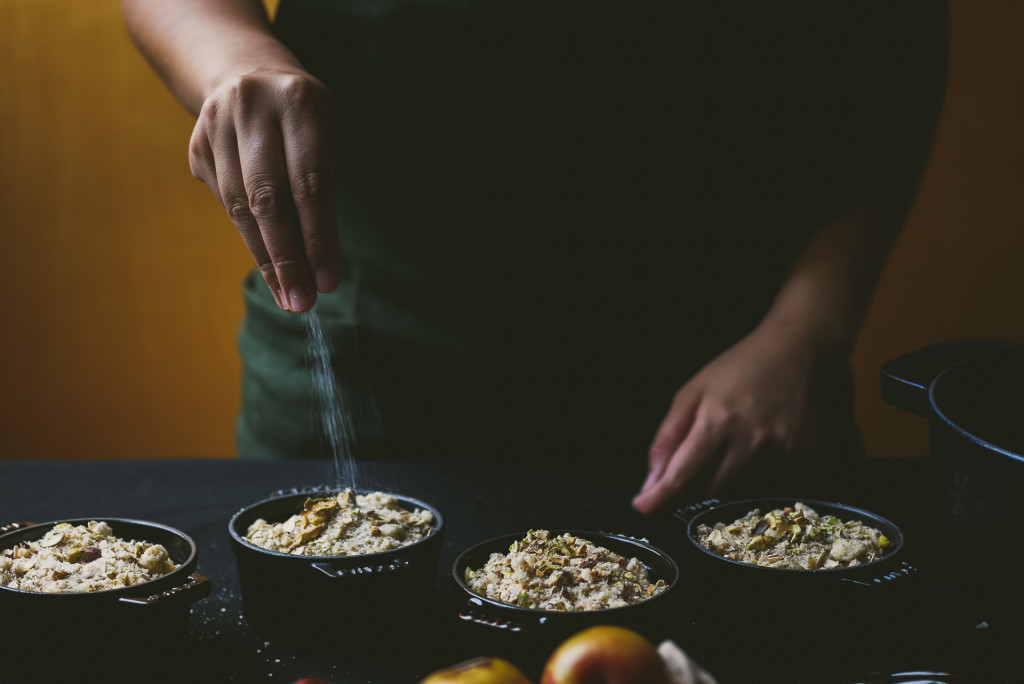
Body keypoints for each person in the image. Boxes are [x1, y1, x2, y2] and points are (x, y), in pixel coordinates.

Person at [122, 0, 948, 514]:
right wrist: (236, 62)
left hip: (717, 395)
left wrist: (808, 333)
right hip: (362, 360)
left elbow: (893, 43)